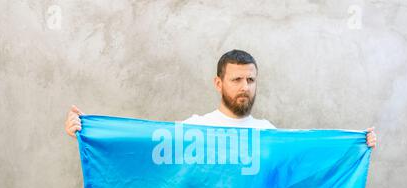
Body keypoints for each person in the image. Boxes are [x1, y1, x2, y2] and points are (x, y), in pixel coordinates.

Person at [64, 49, 377, 148]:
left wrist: (356, 145)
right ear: (219, 83)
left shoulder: (268, 133)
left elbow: (307, 159)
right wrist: (88, 131)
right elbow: (141, 147)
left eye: (250, 80)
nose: (244, 86)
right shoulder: (194, 128)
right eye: (237, 79)